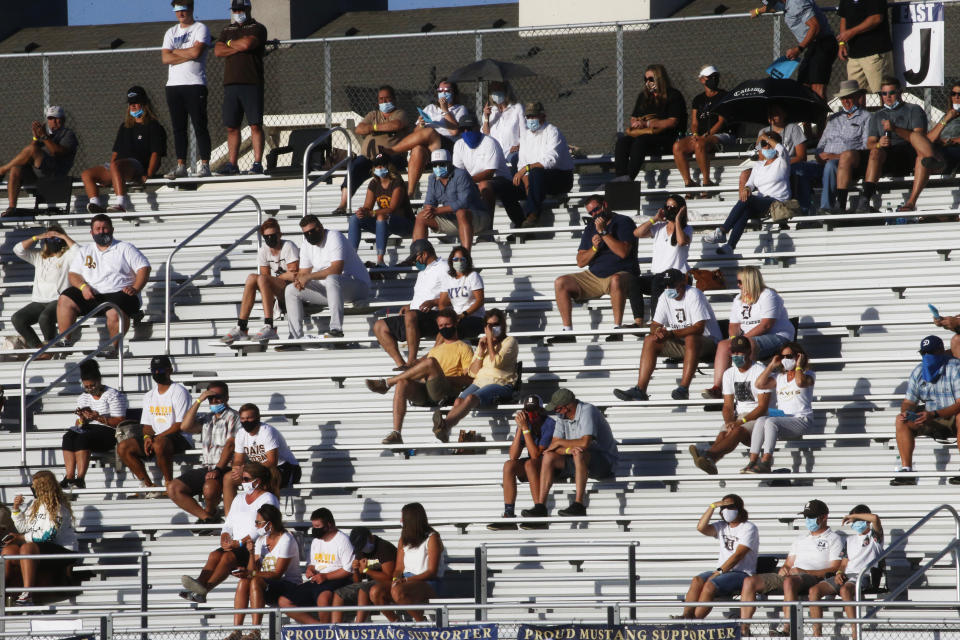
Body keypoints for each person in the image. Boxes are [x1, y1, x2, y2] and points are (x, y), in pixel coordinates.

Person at [366, 309, 474, 445]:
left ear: (455, 325)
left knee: (430, 362)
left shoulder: (464, 348)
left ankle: (388, 383)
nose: (444, 328)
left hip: (446, 390)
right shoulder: (435, 350)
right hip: (428, 389)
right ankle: (396, 433)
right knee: (403, 383)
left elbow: (470, 379)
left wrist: (445, 378)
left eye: (447, 325)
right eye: (441, 326)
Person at [614, 268, 721, 402]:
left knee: (691, 338)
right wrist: (658, 331)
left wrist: (670, 333)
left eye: (671, 284)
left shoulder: (694, 294)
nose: (668, 288)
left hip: (709, 343)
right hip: (683, 341)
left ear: (682, 283)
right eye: (665, 285)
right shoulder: (665, 296)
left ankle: (683, 388)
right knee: (650, 340)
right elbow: (655, 324)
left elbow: (699, 328)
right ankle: (640, 389)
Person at [179, 461, 280, 603]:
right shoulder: (239, 498)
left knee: (227, 558)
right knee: (214, 555)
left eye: (245, 479)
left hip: (255, 546)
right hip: (237, 544)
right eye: (242, 479)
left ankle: (204, 589)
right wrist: (225, 536)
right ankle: (198, 586)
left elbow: (262, 527)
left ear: (257, 481)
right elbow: (229, 523)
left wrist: (239, 542)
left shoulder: (268, 498)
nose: (242, 483)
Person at [739, 500, 843, 637]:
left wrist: (804, 571)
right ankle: (744, 629)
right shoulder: (800, 539)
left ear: (824, 517)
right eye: (806, 517)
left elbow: (834, 568)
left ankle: (788, 627)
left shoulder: (834, 538)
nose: (808, 520)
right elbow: (788, 563)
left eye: (811, 517)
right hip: (794, 576)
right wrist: (785, 568)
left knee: (790, 581)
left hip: (814, 577)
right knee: (749, 582)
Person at [519, 388, 619, 524]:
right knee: (549, 457)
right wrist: (567, 450)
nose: (556, 412)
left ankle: (579, 504)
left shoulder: (587, 410)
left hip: (603, 461)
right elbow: (553, 447)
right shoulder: (562, 416)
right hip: (578, 457)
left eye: (557, 409)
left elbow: (584, 442)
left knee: (579, 453)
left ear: (567, 407)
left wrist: (562, 443)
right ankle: (540, 506)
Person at [551, 195, 640, 343]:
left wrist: (604, 233)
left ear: (605, 205)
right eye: (591, 213)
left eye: (596, 210)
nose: (594, 215)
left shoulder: (624, 222)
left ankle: (617, 329)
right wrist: (594, 248)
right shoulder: (591, 227)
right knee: (561, 282)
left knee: (616, 280)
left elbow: (623, 252)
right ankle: (568, 331)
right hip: (594, 276)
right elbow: (580, 261)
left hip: (621, 273)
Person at [57, 214, 151, 349]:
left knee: (114, 312)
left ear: (112, 230)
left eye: (105, 228)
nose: (101, 232)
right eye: (98, 229)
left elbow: (144, 268)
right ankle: (64, 341)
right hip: (93, 294)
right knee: (65, 298)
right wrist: (83, 287)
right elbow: (73, 274)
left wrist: (135, 288)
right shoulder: (85, 250)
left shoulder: (125, 248)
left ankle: (114, 349)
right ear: (91, 232)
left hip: (121, 293)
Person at [703, 266, 794, 399]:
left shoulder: (768, 295)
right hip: (749, 337)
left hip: (777, 336)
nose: (738, 285)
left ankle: (748, 390)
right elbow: (733, 325)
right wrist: (734, 339)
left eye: (740, 282)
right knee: (723, 344)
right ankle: (718, 387)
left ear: (750, 281)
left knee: (748, 345)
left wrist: (741, 341)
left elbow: (766, 325)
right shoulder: (738, 299)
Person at [432, 308, 518, 442]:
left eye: (495, 325)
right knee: (458, 401)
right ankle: (444, 429)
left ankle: (445, 426)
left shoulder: (510, 341)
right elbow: (472, 372)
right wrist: (480, 352)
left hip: (501, 383)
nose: (492, 328)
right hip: (480, 382)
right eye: (489, 325)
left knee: (471, 397)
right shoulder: (483, 344)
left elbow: (496, 363)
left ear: (503, 325)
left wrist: (489, 340)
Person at [689, 336, 772, 474]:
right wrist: (729, 422)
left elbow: (763, 407)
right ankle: (710, 460)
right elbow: (727, 405)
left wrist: (740, 422)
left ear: (748, 352)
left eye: (739, 353)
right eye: (733, 353)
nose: (736, 356)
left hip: (760, 416)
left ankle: (708, 455)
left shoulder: (760, 370)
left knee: (737, 430)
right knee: (725, 431)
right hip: (741, 416)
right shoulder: (729, 374)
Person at [283, 215, 371, 342]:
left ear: (321, 227)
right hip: (331, 290)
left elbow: (336, 269)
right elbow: (303, 273)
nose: (309, 235)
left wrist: (308, 277)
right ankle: (295, 337)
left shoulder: (334, 236)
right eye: (306, 233)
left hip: (358, 288)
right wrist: (299, 281)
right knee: (291, 290)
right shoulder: (306, 245)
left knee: (332, 278)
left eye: (312, 231)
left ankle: (336, 329)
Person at [858, 77, 938, 213]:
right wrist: (878, 143)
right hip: (887, 155)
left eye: (892, 93)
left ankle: (911, 202)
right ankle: (864, 200)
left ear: (900, 92)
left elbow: (919, 138)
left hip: (908, 152)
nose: (888, 97)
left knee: (923, 157)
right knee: (875, 151)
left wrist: (895, 128)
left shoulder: (913, 110)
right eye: (884, 94)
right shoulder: (877, 115)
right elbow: (870, 143)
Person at [703, 130, 790, 253]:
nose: (759, 149)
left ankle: (722, 231)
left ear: (771, 144)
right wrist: (747, 188)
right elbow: (750, 183)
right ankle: (730, 246)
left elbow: (780, 148)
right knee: (746, 209)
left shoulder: (782, 160)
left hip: (777, 202)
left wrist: (764, 136)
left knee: (748, 200)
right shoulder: (759, 165)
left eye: (762, 145)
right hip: (762, 203)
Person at [167, 380, 240, 528]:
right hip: (208, 467)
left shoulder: (234, 416)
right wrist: (199, 400)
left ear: (227, 398)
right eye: (211, 397)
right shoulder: (208, 418)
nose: (214, 400)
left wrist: (218, 469)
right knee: (173, 488)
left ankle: (210, 513)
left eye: (218, 396)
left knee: (209, 488)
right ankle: (208, 518)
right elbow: (185, 426)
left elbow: (230, 445)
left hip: (225, 467)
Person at [82, 86, 165, 214]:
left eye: (136, 102)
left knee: (116, 166)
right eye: (131, 103)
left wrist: (148, 174)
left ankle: (121, 203)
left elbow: (156, 153)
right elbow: (116, 152)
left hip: (136, 165)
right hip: (119, 167)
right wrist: (110, 171)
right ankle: (95, 204)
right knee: (87, 174)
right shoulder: (125, 126)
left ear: (144, 103)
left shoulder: (153, 126)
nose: (133, 106)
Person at [117, 355, 193, 494]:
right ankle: (148, 486)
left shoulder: (179, 392)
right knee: (123, 447)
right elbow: (147, 426)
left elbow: (179, 425)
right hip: (157, 437)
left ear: (169, 370)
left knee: (159, 443)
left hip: (179, 437)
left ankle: (169, 483)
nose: (157, 373)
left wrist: (155, 438)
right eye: (154, 370)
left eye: (160, 370)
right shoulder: (149, 396)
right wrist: (147, 438)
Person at [891, 335, 960, 485]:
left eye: (931, 352)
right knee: (901, 420)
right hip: (930, 416)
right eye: (924, 353)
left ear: (941, 351)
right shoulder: (918, 372)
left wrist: (934, 414)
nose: (927, 357)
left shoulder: (955, 368)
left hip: (951, 415)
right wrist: (906, 412)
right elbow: (909, 401)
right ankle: (906, 470)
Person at [3, 470, 78, 606]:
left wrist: (21, 538)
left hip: (63, 549)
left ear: (43, 487)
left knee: (27, 547)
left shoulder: (58, 507)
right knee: (9, 551)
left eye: (34, 485)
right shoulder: (35, 504)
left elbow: (48, 536)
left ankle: (28, 594)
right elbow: (23, 528)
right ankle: (3, 590)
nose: (32, 488)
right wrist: (16, 509)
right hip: (41, 547)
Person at [808, 505, 883, 639]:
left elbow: (875, 518)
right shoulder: (849, 540)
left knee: (845, 591)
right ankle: (817, 634)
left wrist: (852, 516)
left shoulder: (875, 537)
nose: (853, 523)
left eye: (856, 520)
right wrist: (839, 573)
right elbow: (843, 563)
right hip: (846, 575)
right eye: (852, 521)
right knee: (814, 591)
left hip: (863, 576)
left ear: (865, 520)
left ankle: (855, 632)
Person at [333, 85, 411, 215]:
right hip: (369, 158)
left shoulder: (400, 113)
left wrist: (372, 128)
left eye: (387, 98)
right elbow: (359, 129)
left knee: (390, 171)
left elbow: (396, 125)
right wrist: (380, 127)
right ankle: (343, 204)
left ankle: (393, 208)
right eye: (381, 99)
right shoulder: (373, 114)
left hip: (391, 157)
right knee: (354, 167)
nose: (384, 102)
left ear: (394, 99)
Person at [679, 494, 759, 619]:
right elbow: (701, 527)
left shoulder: (749, 528)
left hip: (742, 573)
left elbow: (738, 555)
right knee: (697, 580)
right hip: (723, 572)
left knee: (711, 583)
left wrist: (719, 571)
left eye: (730, 507)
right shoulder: (722, 526)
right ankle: (685, 617)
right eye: (723, 507)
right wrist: (712, 506)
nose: (726, 510)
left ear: (739, 508)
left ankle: (694, 622)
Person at [220, 218, 299, 344]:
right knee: (252, 277)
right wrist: (274, 281)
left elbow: (294, 275)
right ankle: (241, 327)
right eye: (266, 236)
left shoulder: (288, 246)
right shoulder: (263, 250)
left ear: (280, 234)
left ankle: (269, 326)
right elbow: (265, 278)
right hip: (279, 289)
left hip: (294, 289)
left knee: (262, 279)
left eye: (273, 236)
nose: (269, 239)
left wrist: (276, 279)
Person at [372, 239, 447, 369]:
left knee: (410, 316)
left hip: (435, 316)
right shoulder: (423, 272)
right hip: (416, 316)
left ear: (424, 254)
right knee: (379, 326)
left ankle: (411, 361)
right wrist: (410, 305)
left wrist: (434, 302)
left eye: (415, 258)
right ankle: (401, 364)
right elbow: (422, 295)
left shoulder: (444, 267)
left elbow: (452, 294)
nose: (415, 262)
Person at [228, 503, 299, 640]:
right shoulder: (261, 540)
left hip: (288, 585)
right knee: (244, 581)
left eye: (258, 522)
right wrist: (251, 553)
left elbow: (277, 574)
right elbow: (252, 570)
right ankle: (237, 630)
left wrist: (251, 574)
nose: (256, 526)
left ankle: (256, 631)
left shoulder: (286, 539)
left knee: (254, 580)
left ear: (269, 524)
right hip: (267, 585)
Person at [214, 0, 267, 175]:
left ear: (248, 9)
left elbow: (247, 44)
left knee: (255, 125)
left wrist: (230, 44)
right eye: (235, 9)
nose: (237, 12)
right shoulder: (227, 30)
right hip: (231, 84)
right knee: (232, 126)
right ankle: (232, 164)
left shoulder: (257, 28)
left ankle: (257, 162)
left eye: (240, 9)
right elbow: (218, 50)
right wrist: (234, 45)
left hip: (251, 82)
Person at [488, 395, 556, 531]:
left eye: (534, 411)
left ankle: (539, 513)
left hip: (550, 464)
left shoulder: (549, 424)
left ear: (541, 411)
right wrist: (520, 428)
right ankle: (509, 514)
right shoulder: (526, 424)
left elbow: (536, 455)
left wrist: (525, 428)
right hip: (535, 463)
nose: (531, 415)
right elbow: (513, 455)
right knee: (509, 465)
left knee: (530, 464)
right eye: (527, 412)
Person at [391, 79, 467, 199]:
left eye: (447, 90)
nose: (443, 93)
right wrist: (421, 124)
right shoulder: (430, 108)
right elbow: (416, 134)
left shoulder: (460, 109)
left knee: (430, 131)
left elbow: (454, 131)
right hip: (429, 149)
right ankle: (409, 193)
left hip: (448, 148)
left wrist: (445, 110)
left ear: (454, 93)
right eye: (440, 90)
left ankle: (392, 151)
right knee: (417, 149)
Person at [745, 342, 815, 473]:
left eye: (789, 356)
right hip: (784, 418)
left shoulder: (809, 375)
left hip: (801, 419)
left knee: (771, 421)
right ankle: (752, 461)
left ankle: (766, 461)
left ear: (798, 356)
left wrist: (799, 365)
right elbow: (759, 384)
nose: (785, 360)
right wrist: (771, 365)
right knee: (761, 420)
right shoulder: (780, 377)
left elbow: (800, 382)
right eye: (783, 357)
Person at [161, 0, 212, 179]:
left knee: (199, 125)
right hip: (174, 85)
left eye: (184, 9)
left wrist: (176, 52)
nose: (181, 13)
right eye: (177, 10)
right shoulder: (171, 32)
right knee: (178, 127)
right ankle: (181, 164)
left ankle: (205, 164)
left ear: (191, 9)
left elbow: (196, 53)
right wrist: (186, 52)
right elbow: (165, 58)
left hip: (195, 83)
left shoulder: (200, 28)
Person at [370, 502, 446, 622]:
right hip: (407, 581)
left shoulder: (432, 538)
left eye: (403, 518)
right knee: (375, 591)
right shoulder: (403, 539)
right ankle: (396, 622)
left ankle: (421, 622)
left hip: (428, 582)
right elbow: (399, 568)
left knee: (397, 591)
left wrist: (406, 580)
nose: (401, 520)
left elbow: (432, 571)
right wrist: (396, 580)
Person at [278, 508, 354, 624]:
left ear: (329, 525)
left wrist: (326, 577)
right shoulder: (316, 541)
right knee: (284, 601)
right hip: (317, 580)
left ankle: (324, 631)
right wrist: (310, 569)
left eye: (318, 526)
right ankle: (318, 628)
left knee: (323, 598)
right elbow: (312, 564)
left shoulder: (343, 540)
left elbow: (348, 570)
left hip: (337, 579)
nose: (315, 530)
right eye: (313, 526)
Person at [61, 359, 128, 489]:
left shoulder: (113, 395)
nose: (90, 389)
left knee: (83, 438)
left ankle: (80, 478)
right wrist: (82, 418)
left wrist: (99, 418)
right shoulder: (83, 398)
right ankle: (69, 476)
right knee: (68, 436)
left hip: (109, 432)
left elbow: (120, 421)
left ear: (99, 381)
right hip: (90, 429)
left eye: (92, 386)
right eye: (87, 387)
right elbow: (79, 423)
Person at [223, 403, 300, 515]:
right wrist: (237, 469)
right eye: (243, 419)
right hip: (257, 469)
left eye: (249, 418)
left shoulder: (267, 431)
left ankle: (270, 518)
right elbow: (238, 460)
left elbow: (271, 461)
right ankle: (230, 520)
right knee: (228, 478)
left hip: (285, 467)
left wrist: (246, 470)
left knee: (264, 479)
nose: (246, 421)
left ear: (258, 418)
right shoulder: (241, 433)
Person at [0, 106, 78, 216]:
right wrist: (36, 138)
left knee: (32, 150)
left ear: (63, 120)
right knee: (16, 167)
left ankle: (3, 169)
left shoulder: (68, 134)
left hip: (55, 172)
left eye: (57, 118)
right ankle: (12, 207)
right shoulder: (45, 134)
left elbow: (56, 152)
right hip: (38, 171)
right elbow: (28, 153)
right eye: (50, 118)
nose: (53, 121)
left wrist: (44, 137)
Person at [752, 0, 837, 99]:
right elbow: (774, 7)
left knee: (817, 88)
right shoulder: (784, 3)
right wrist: (758, 11)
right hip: (812, 46)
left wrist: (798, 49)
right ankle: (808, 113)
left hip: (824, 43)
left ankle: (821, 113)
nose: (772, 5)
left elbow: (815, 27)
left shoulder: (797, 2)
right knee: (803, 86)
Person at [614, 64, 686, 181]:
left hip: (666, 138)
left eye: (651, 79)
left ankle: (629, 178)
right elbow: (633, 117)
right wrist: (636, 122)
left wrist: (648, 124)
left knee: (641, 141)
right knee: (622, 142)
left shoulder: (673, 95)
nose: (648, 82)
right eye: (645, 79)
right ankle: (620, 178)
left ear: (659, 79)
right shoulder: (644, 96)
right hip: (645, 135)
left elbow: (672, 122)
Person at [12, 224, 78, 350]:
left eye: (56, 238)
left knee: (45, 317)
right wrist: (37, 237)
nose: (53, 241)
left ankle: (50, 346)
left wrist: (63, 236)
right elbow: (17, 249)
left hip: (58, 299)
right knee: (18, 319)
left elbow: (79, 251)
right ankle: (40, 348)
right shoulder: (38, 256)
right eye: (49, 238)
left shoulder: (67, 256)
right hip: (39, 300)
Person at [672, 66, 734, 195]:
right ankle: (688, 183)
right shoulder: (698, 99)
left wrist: (707, 134)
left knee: (701, 143)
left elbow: (721, 121)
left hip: (721, 135)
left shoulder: (724, 95)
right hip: (702, 136)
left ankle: (706, 182)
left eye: (715, 76)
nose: (714, 79)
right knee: (677, 146)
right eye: (710, 77)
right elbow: (694, 123)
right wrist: (695, 134)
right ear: (702, 80)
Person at [412, 149, 489, 251]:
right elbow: (429, 203)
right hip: (453, 219)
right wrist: (428, 210)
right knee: (421, 216)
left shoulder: (461, 174)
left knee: (461, 212)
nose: (438, 168)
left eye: (441, 164)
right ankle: (417, 255)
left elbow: (463, 203)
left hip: (477, 218)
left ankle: (466, 255)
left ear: (450, 163)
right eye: (434, 165)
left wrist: (436, 211)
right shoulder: (432, 178)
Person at [453, 113, 523, 224]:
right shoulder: (458, 145)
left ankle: (487, 227)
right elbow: (458, 171)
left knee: (484, 185)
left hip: (501, 180)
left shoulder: (490, 142)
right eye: (463, 129)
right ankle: (454, 227)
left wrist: (466, 181)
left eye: (469, 128)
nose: (466, 132)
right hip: (473, 181)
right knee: (452, 187)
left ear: (477, 127)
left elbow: (489, 173)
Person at [347, 154, 414, 269]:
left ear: (389, 166)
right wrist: (363, 211)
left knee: (381, 216)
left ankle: (380, 261)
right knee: (355, 218)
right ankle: (351, 259)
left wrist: (372, 213)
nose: (379, 168)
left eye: (382, 165)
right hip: (385, 223)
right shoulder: (374, 183)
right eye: (376, 165)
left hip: (405, 222)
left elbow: (392, 208)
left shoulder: (397, 181)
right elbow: (368, 206)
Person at [632, 193, 691, 323]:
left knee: (657, 282)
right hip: (658, 276)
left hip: (677, 276)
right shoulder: (659, 227)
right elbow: (637, 233)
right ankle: (638, 321)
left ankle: (656, 324)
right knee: (633, 282)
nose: (669, 210)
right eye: (667, 206)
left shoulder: (686, 229)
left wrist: (677, 221)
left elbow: (681, 241)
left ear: (681, 210)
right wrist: (655, 218)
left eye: (673, 207)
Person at [514, 102, 574, 227]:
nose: (530, 120)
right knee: (507, 187)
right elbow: (521, 163)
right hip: (535, 179)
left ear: (543, 116)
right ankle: (519, 222)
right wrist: (526, 183)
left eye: (533, 117)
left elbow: (551, 160)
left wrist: (526, 169)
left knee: (536, 172)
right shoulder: (525, 136)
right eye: (528, 117)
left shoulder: (552, 132)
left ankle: (533, 215)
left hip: (560, 178)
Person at [815, 80, 869, 213]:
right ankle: (802, 211)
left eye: (849, 97)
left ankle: (827, 206)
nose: (846, 101)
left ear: (857, 97)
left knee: (831, 166)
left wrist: (836, 156)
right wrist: (819, 155)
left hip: (848, 162)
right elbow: (821, 145)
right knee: (800, 171)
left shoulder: (867, 117)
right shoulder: (833, 118)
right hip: (824, 159)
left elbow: (866, 147)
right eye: (843, 98)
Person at [331, 527, 398, 624]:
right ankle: (335, 628)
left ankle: (358, 626)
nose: (362, 549)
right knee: (339, 593)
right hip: (371, 583)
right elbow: (357, 581)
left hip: (388, 583)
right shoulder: (360, 549)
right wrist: (356, 570)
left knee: (364, 589)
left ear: (370, 538)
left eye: (362, 545)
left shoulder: (383, 547)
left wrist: (367, 570)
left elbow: (389, 577)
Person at [836, 0, 893, 93]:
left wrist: (852, 32)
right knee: (854, 93)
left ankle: (885, 108)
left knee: (882, 92)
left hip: (874, 53)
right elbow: (843, 17)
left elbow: (876, 18)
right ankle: (860, 108)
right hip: (854, 55)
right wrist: (842, 43)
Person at [437, 246, 485, 338]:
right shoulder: (448, 278)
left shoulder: (473, 276)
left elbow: (480, 301)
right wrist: (448, 317)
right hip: (455, 318)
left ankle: (434, 352)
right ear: (451, 261)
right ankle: (436, 351)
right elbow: (442, 303)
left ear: (467, 261)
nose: (458, 262)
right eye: (455, 259)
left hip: (474, 317)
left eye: (462, 259)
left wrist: (463, 315)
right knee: (445, 328)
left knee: (451, 329)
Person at [482, 81, 523, 170]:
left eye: (499, 89)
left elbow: (525, 132)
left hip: (512, 153)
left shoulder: (516, 108)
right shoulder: (490, 111)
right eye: (493, 90)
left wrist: (519, 145)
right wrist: (486, 118)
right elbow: (485, 135)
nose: (496, 93)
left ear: (506, 91)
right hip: (494, 154)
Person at [926, 83, 960, 173]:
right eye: (953, 94)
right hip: (940, 147)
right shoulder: (946, 116)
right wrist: (946, 119)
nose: (956, 97)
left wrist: (950, 141)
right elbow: (929, 138)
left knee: (945, 153)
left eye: (959, 94)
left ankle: (938, 166)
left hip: (954, 148)